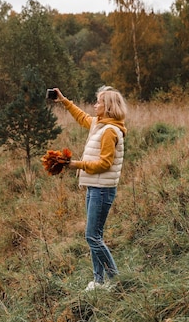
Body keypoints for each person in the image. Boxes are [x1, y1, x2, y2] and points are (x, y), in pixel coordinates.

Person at [52, 86, 128, 292]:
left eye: (99, 102)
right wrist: (64, 101)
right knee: (95, 235)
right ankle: (99, 281)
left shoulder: (110, 131)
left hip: (102, 190)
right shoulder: (100, 125)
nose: (95, 105)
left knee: (92, 237)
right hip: (95, 187)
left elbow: (105, 164)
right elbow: (82, 117)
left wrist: (76, 164)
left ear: (108, 107)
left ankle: (114, 279)